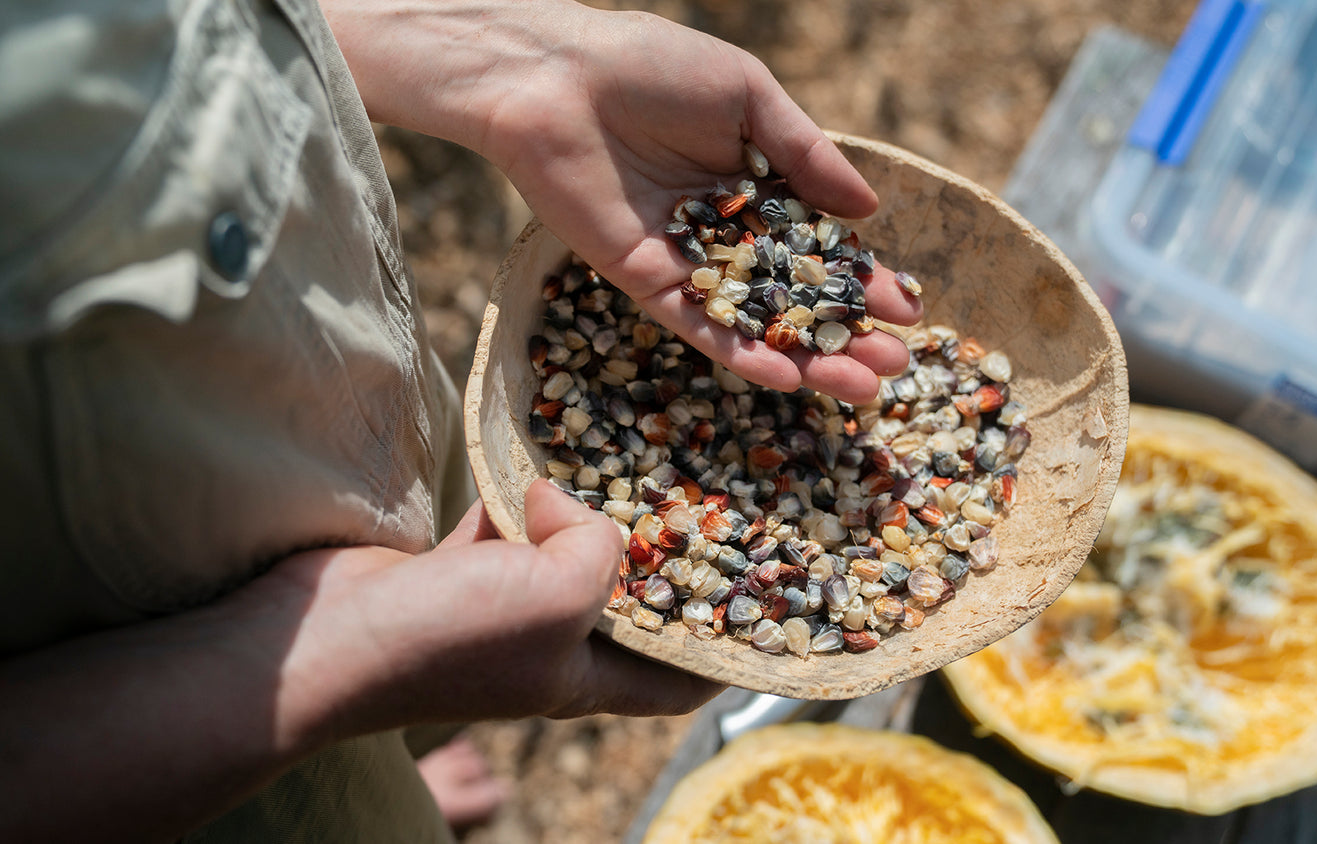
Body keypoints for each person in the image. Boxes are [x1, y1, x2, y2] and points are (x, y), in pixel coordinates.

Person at [0, 0, 922, 840]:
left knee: (446, 536)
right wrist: (331, 665)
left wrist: (500, 60)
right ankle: (367, 752)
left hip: (334, 371)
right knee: (344, 799)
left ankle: (404, 734)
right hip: (155, 699)